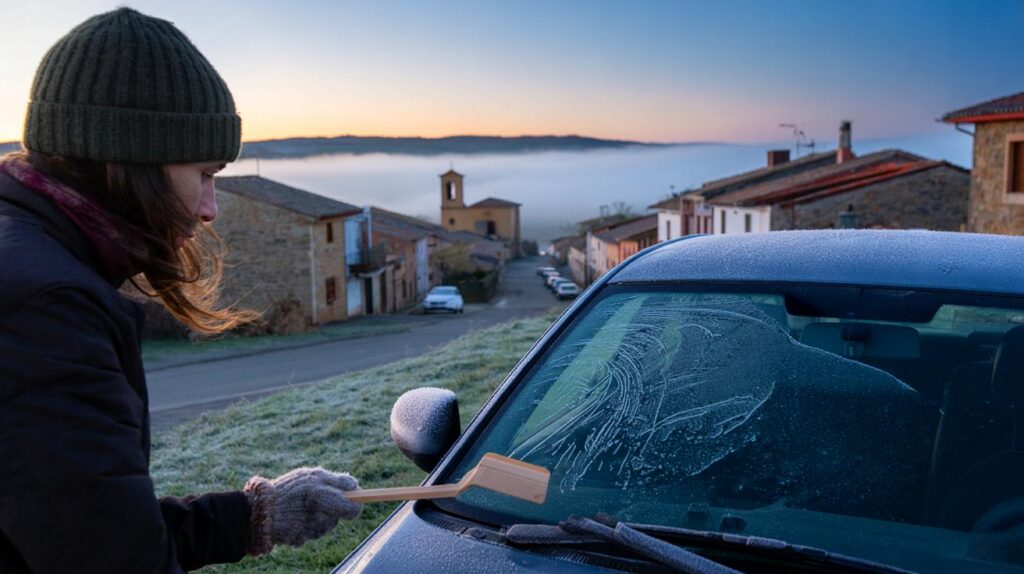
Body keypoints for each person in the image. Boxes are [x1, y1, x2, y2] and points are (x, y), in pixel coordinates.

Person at [0, 8, 362, 572]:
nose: (210, 209)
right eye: (204, 173)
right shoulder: (44, 311)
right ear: (130, 158)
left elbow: (84, 528)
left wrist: (252, 516)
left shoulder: (25, 256)